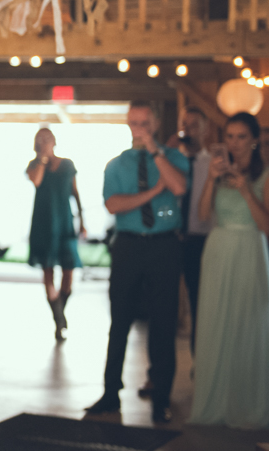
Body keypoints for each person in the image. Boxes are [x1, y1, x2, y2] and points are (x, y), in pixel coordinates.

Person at [86, 101, 188, 424]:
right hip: (128, 246)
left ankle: (161, 399)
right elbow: (114, 205)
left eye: (144, 123)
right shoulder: (116, 164)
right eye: (133, 123)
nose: (138, 129)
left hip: (164, 246)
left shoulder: (174, 158)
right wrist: (153, 192)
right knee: (120, 321)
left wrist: (156, 152)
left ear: (155, 124)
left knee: (163, 323)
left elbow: (179, 187)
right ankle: (109, 394)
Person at [189, 112, 269, 428]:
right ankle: (213, 404)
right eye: (230, 137)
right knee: (215, 323)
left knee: (249, 325)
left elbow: (266, 226)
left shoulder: (265, 175)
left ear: (254, 140)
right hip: (218, 250)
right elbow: (203, 214)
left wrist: (247, 191)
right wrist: (210, 178)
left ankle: (248, 405)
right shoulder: (217, 172)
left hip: (250, 248)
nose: (234, 143)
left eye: (240, 137)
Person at [26, 127, 84, 341]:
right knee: (48, 271)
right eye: (40, 139)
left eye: (47, 139)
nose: (45, 142)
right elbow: (37, 181)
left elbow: (75, 193)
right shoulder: (33, 166)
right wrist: (42, 159)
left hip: (65, 221)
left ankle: (60, 311)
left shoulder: (68, 164)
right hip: (43, 223)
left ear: (54, 141)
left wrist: (82, 220)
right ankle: (59, 320)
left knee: (68, 272)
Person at [175, 107, 212, 353]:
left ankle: (199, 363)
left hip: (201, 240)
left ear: (205, 129)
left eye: (194, 126)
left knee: (200, 303)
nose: (189, 131)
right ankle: (158, 374)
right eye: (185, 125)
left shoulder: (213, 164)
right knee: (165, 305)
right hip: (171, 238)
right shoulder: (171, 161)